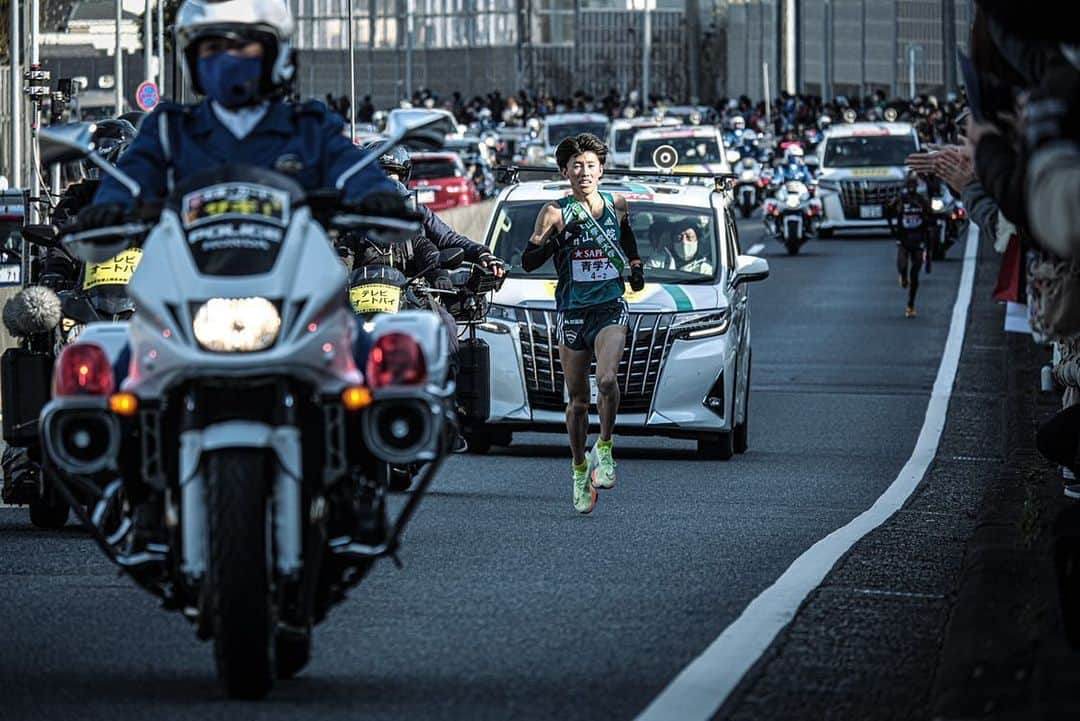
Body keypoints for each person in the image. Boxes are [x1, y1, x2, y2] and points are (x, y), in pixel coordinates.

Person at [81, 0, 400, 223]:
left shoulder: (308, 128)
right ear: (192, 61)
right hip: (189, 282)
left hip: (292, 282)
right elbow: (129, 178)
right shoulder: (168, 132)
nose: (227, 59)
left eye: (242, 46)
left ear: (273, 54)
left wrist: (379, 196)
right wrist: (106, 209)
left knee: (344, 319)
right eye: (212, 48)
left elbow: (352, 167)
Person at [521, 133, 644, 514]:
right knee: (576, 402)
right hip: (572, 312)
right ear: (565, 172)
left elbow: (627, 239)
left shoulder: (617, 205)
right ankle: (578, 469)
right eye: (576, 166)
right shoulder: (555, 212)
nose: (584, 172)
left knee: (606, 380)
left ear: (602, 170)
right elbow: (528, 259)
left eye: (591, 165)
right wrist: (559, 242)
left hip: (609, 308)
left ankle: (604, 447)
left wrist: (636, 268)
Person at [886, 171, 933, 318]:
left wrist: (928, 245)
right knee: (902, 265)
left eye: (914, 185)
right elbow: (888, 211)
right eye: (909, 185)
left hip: (918, 239)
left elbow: (930, 217)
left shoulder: (922, 200)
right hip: (904, 238)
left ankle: (911, 305)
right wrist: (893, 230)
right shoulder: (900, 200)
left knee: (915, 275)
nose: (912, 187)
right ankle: (902, 275)